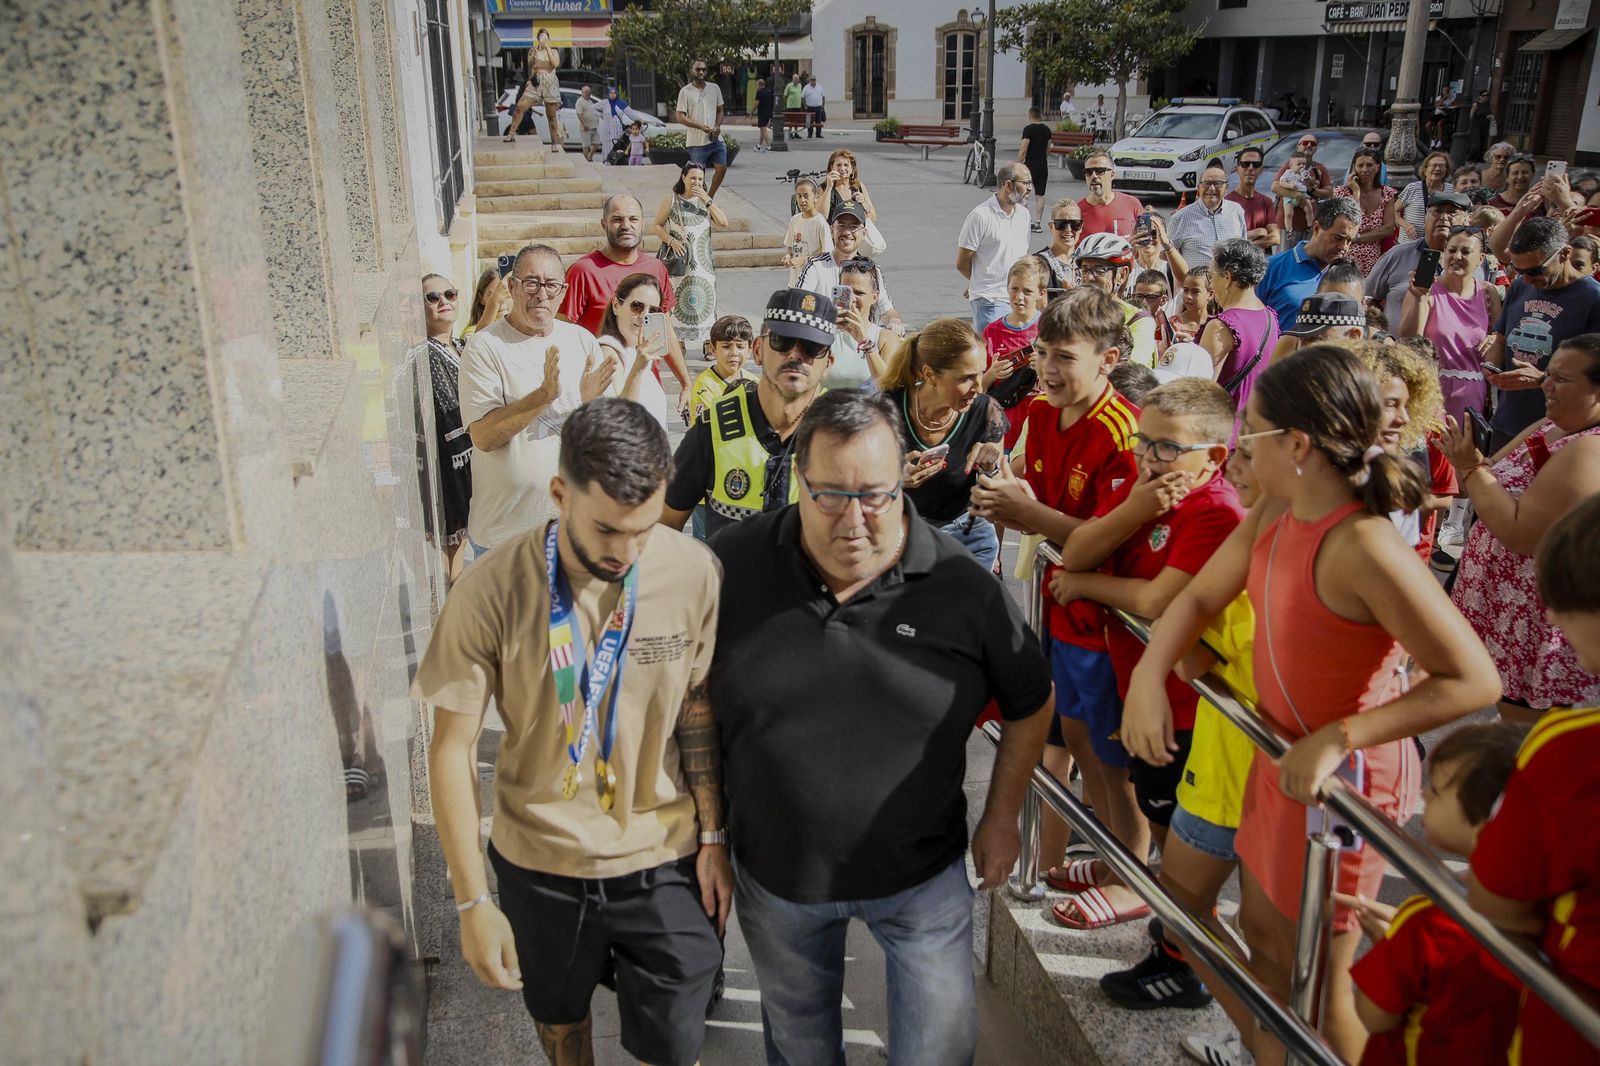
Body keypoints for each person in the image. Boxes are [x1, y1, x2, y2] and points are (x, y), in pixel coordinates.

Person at [1121, 345, 1501, 1066]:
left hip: (1341, 782)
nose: (1239, 449)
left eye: (1252, 432)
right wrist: (1150, 674)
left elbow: (1472, 678)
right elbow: (1201, 594)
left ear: (1297, 444)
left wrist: (1342, 736)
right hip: (1281, 756)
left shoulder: (1364, 545)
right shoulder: (1276, 507)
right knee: (1267, 945)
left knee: (1326, 980)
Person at [708, 389, 1053, 1066]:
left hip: (922, 880)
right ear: (796, 481)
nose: (854, 519)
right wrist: (707, 834)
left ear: (907, 479)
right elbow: (685, 699)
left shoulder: (962, 587)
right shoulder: (729, 567)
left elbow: (1030, 700)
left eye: (875, 494)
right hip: (779, 882)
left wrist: (1003, 815)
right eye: (829, 495)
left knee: (939, 1052)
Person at [414, 398, 728, 1066]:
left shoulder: (693, 570)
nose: (627, 552)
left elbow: (697, 705)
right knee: (563, 1030)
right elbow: (451, 749)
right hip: (541, 864)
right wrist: (472, 900)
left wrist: (713, 836)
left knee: (675, 1045)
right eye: (608, 530)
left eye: (642, 531)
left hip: (660, 857)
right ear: (559, 494)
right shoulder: (488, 590)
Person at [1047, 378, 1246, 931]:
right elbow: (1080, 548)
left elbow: (1161, 601)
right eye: (1143, 442)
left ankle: (1174, 937)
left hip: (1183, 707)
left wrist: (1086, 587)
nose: (1149, 459)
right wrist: (1133, 509)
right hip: (1132, 681)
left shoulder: (1215, 511)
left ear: (1214, 457)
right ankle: (1142, 885)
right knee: (1128, 782)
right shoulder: (1142, 489)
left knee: (1174, 833)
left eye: (1167, 448)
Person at [967, 287, 1142, 906]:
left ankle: (1131, 876)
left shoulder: (1124, 434)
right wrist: (1003, 501)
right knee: (1069, 741)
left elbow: (1102, 542)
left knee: (1108, 762)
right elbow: (1036, 511)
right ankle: (1089, 862)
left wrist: (1029, 510)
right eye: (1042, 352)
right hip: (1059, 609)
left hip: (1107, 624)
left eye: (1065, 356)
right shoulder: (1040, 413)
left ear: (1109, 359)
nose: (1046, 368)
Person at [1098, 447, 1261, 1034]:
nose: (1236, 463)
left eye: (1251, 446)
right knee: (1189, 889)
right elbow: (1186, 606)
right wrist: (1149, 671)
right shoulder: (1263, 522)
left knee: (1263, 932)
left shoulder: (1226, 514)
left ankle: (1259, 1035)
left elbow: (1181, 628)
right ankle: (1241, 1023)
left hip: (1244, 751)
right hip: (1219, 745)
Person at [1468, 492, 1600, 1065]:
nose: (1548, 616)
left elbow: (1499, 901)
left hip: (1573, 1015)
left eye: (1559, 601)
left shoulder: (1569, 747)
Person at [1343, 724, 1523, 1066]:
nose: (1424, 795)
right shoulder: (1552, 921)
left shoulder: (1429, 921)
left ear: (1485, 828)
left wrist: (1389, 948)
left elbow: (1375, 1015)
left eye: (1437, 791)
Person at [1444, 334, 1600, 720]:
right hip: (1505, 611)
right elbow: (1492, 467)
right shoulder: (1554, 423)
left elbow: (1518, 533)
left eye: (1562, 380)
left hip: (1532, 623)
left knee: (1526, 738)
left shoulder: (1589, 450)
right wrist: (1470, 460)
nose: (1545, 385)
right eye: (1548, 374)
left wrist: (1468, 465)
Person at [460, 244, 615, 553]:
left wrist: (587, 407)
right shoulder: (484, 347)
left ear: (563, 291)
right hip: (505, 541)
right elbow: (484, 437)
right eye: (531, 283)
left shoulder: (581, 340)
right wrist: (543, 397)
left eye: (551, 285)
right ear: (513, 287)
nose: (541, 294)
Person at [661, 289, 835, 535]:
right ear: (758, 350)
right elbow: (664, 527)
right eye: (782, 342)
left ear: (828, 363)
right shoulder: (713, 428)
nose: (796, 355)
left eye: (812, 347)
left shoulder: (843, 432)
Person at [876, 319, 1008, 566]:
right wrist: (894, 479)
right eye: (967, 378)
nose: (979, 387)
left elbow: (998, 492)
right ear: (930, 375)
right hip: (902, 535)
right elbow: (857, 482)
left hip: (969, 538)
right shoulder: (887, 409)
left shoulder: (986, 411)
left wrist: (992, 467)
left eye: (981, 373)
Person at [562, 194, 691, 417]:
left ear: (642, 223)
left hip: (648, 386)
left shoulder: (656, 268)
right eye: (617, 219)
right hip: (604, 395)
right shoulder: (583, 271)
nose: (626, 226)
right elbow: (562, 334)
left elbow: (665, 330)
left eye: (633, 219)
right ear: (604, 224)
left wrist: (686, 382)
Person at [1484, 217, 1600, 449]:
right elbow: (1501, 340)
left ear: (1565, 254)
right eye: (1519, 270)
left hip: (1562, 434)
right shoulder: (1520, 286)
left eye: (1536, 270)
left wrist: (1542, 380)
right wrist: (1492, 366)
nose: (1526, 279)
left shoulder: (1594, 299)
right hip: (1506, 423)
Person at [1400, 224, 1502, 430]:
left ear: (1480, 259)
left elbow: (1499, 338)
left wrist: (1495, 338)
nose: (1457, 256)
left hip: (1474, 399)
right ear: (1443, 254)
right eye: (1452, 250)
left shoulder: (1489, 292)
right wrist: (1419, 297)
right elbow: (1409, 341)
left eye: (1465, 251)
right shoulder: (1425, 289)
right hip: (1432, 394)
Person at [422, 274, 473, 580]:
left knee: (465, 542)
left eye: (449, 294)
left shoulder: (461, 344)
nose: (443, 301)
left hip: (473, 452)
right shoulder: (423, 351)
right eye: (432, 297)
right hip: (448, 459)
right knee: (452, 545)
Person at [1365, 191, 1474, 329]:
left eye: (1452, 212)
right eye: (1437, 211)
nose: (1444, 217)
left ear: (1467, 220)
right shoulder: (1397, 255)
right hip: (1399, 346)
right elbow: (1368, 299)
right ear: (1425, 217)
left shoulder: (1475, 261)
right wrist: (1379, 336)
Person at [797, 200, 904, 333]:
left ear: (864, 233)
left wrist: (894, 322)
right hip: (825, 344)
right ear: (832, 230)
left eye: (854, 227)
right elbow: (799, 303)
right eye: (841, 226)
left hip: (862, 346)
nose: (847, 232)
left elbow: (886, 308)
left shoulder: (872, 270)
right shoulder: (815, 266)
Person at [1257, 196, 1360, 331]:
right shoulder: (1272, 267)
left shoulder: (1348, 278)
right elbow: (1253, 323)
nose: (1344, 247)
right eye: (1338, 238)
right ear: (1316, 229)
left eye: (1349, 241)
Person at [1198, 238, 1279, 408]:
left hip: (1226, 427)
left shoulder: (1221, 326)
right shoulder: (1270, 318)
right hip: (1255, 425)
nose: (1210, 284)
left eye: (1211, 276)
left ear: (1227, 278)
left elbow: (1201, 391)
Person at [654, 163, 728, 347]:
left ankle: (708, 344)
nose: (696, 182)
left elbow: (723, 222)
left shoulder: (706, 201)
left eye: (700, 179)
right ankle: (679, 344)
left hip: (703, 264)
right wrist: (671, 240)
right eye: (693, 178)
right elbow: (656, 225)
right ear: (683, 177)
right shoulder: (671, 200)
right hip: (680, 263)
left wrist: (707, 199)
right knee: (678, 301)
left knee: (706, 303)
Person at [957, 161, 1034, 335]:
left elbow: (1022, 255)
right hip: (989, 300)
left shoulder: (1024, 215)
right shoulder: (980, 216)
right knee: (995, 354)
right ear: (1008, 185)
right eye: (1026, 183)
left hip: (1017, 297)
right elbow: (962, 261)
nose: (1030, 188)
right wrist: (977, 280)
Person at [594, 273, 672, 429]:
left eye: (653, 310)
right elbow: (621, 418)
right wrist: (638, 368)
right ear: (616, 305)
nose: (644, 316)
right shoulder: (609, 352)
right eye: (637, 306)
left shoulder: (634, 351)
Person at [1074, 232, 1158, 367]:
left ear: (1122, 274)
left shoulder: (1139, 320)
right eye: (1085, 269)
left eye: (1100, 270)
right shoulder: (1072, 312)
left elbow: (1130, 373)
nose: (1089, 277)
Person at [825, 258, 891, 389]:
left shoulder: (885, 338)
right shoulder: (824, 332)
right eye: (846, 292)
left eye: (859, 293)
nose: (852, 299)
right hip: (828, 408)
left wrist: (864, 341)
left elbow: (889, 387)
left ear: (875, 297)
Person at [1169, 162, 1250, 267]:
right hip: (1198, 282)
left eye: (1217, 183)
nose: (1212, 188)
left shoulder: (1236, 211)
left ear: (1226, 187)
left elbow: (1243, 247)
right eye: (1206, 183)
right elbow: (1166, 255)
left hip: (1229, 281)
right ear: (1199, 187)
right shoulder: (1181, 217)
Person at [1337, 148, 1399, 277]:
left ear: (1378, 167)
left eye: (1370, 165)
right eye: (1360, 165)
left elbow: (1388, 229)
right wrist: (1356, 193)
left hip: (1374, 260)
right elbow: (1346, 224)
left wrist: (1357, 238)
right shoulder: (1341, 193)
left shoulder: (1387, 193)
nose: (1365, 170)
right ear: (1354, 168)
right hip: (1345, 257)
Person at [673, 59, 728, 199]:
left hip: (715, 139)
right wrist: (700, 126)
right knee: (697, 176)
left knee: (721, 169)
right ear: (692, 71)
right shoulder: (685, 92)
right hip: (696, 143)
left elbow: (721, 110)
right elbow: (679, 116)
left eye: (704, 69)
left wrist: (717, 126)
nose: (701, 72)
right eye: (698, 69)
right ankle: (692, 200)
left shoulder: (714, 88)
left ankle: (709, 198)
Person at [1271, 132, 1335, 248]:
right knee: (1285, 261)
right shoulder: (1289, 166)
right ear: (1298, 146)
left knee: (1306, 261)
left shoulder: (1319, 169)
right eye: (1305, 143)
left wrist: (1312, 190)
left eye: (1313, 143)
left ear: (1316, 148)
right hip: (1288, 226)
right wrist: (1296, 195)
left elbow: (1329, 193)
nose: (1309, 145)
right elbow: (1275, 187)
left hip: (1310, 227)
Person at [503, 27, 562, 149]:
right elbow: (530, 64)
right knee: (519, 107)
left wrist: (547, 49)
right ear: (538, 38)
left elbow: (555, 64)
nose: (543, 39)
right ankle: (511, 133)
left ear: (548, 39)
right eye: (541, 37)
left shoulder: (554, 51)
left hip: (550, 82)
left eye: (545, 37)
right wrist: (533, 54)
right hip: (536, 80)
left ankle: (554, 142)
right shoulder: (533, 50)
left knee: (551, 115)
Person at [688, 314, 754, 423]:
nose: (734, 353)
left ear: (750, 350)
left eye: (740, 347)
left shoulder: (753, 381)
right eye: (726, 346)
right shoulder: (704, 387)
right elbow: (708, 430)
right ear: (713, 349)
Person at [1078, 150, 1145, 238]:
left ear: (1112, 175)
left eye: (1100, 170)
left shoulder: (1132, 204)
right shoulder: (1077, 211)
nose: (1093, 176)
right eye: (1088, 172)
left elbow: (1145, 241)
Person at [1228, 146, 1280, 253]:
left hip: (1258, 264)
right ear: (1237, 168)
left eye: (1256, 165)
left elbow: (1276, 237)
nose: (1250, 168)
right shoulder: (1227, 202)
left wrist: (1247, 242)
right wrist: (1259, 232)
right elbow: (1227, 240)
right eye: (1245, 164)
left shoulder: (1266, 202)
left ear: (1261, 170)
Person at [781, 178, 831, 287]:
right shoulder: (795, 220)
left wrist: (804, 260)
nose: (802, 200)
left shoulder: (820, 223)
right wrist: (788, 256)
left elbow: (827, 255)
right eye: (799, 196)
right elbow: (790, 246)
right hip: (794, 281)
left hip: (813, 283)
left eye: (806, 196)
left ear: (816, 198)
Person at [1397, 152, 1453, 242]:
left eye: (1442, 166)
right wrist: (1405, 225)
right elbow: (1393, 211)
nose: (1437, 168)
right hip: (1408, 244)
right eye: (1434, 165)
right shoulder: (1412, 188)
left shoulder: (1451, 190)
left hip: (1437, 244)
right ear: (1425, 170)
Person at [1034, 199, 1084, 295]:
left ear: (1081, 227)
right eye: (1061, 224)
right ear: (1051, 226)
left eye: (1075, 224)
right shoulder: (1038, 264)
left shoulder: (1086, 263)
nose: (1068, 230)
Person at [821, 149, 878, 226]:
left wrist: (864, 204)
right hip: (832, 235)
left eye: (846, 165)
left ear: (852, 168)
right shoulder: (824, 188)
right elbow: (821, 216)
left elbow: (873, 219)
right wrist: (829, 188)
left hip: (855, 235)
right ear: (832, 167)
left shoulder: (859, 186)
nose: (842, 169)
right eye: (838, 165)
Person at [1019, 107, 1054, 227]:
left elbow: (1024, 148)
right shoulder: (1047, 129)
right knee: (1040, 195)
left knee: (1025, 193)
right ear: (1040, 115)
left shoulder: (1028, 130)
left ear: (1030, 116)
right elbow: (1048, 148)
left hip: (1030, 164)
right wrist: (1044, 157)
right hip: (1042, 164)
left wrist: (1018, 162)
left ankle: (1026, 221)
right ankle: (1038, 222)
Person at [464, 266, 507, 339]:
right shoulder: (470, 333)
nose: (501, 300)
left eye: (506, 293)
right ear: (481, 298)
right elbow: (479, 342)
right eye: (493, 295)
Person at [575, 84, 602, 162]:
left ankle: (590, 157)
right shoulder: (580, 101)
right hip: (586, 127)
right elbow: (579, 113)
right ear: (582, 92)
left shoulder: (590, 101)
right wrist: (584, 124)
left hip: (594, 127)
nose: (588, 93)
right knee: (586, 145)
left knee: (596, 142)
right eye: (586, 92)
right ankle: (586, 160)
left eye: (589, 92)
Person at [599, 86, 628, 158]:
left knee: (616, 144)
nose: (612, 94)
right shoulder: (604, 103)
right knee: (606, 145)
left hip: (617, 128)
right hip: (607, 128)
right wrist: (601, 115)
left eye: (614, 93)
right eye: (611, 93)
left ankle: (615, 159)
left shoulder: (620, 103)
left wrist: (639, 119)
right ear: (608, 94)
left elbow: (630, 112)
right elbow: (592, 108)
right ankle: (606, 160)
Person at [1467, 91, 1494, 162]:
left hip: (1485, 125)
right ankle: (1470, 158)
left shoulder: (1488, 105)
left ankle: (1479, 158)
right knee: (1476, 144)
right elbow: (1471, 116)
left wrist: (1490, 116)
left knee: (1483, 142)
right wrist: (1470, 126)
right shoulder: (1476, 105)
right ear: (1480, 96)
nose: (1486, 97)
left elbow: (1490, 113)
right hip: (1476, 125)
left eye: (1487, 95)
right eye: (1483, 95)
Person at [753, 77, 773, 151]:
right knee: (762, 130)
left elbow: (756, 103)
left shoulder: (759, 92)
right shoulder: (769, 92)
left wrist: (752, 112)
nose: (756, 87)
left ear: (759, 85)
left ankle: (768, 146)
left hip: (762, 113)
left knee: (764, 130)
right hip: (768, 113)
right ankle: (759, 145)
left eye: (757, 85)